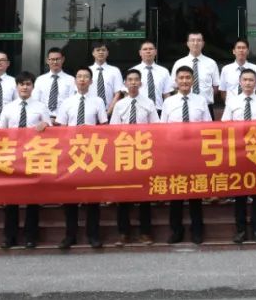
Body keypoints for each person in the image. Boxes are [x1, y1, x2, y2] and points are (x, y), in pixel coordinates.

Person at [0, 71, 51, 250]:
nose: (25, 87)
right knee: (11, 200)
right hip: (13, 156)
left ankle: (30, 237)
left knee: (32, 200)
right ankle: (9, 237)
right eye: (21, 84)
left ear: (33, 87)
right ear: (17, 86)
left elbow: (50, 128)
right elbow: (1, 131)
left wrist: (46, 124)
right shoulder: (9, 107)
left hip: (33, 156)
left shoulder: (41, 107)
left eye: (28, 84)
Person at [56, 68, 108, 249]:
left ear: (91, 81)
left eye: (86, 77)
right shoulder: (67, 102)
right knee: (70, 196)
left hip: (92, 153)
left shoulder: (98, 101)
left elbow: (104, 127)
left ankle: (93, 235)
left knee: (93, 195)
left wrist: (90, 130)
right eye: (79, 77)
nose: (82, 79)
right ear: (75, 80)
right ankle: (70, 235)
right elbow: (61, 128)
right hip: (71, 152)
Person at [160, 66, 211, 244]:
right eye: (181, 78)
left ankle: (197, 231)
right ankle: (176, 231)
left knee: (195, 193)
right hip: (175, 153)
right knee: (176, 192)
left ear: (193, 80)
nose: (184, 81)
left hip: (195, 152)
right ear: (176, 81)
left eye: (188, 77)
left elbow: (208, 127)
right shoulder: (168, 102)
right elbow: (162, 129)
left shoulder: (201, 100)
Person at [221, 68, 256, 243]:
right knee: (240, 194)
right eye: (245, 80)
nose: (248, 83)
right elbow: (224, 126)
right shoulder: (232, 102)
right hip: (238, 152)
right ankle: (241, 230)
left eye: (251, 80)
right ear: (240, 82)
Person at [109, 69, 159, 246]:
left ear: (141, 83)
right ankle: (123, 233)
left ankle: (145, 233)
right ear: (125, 83)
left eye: (136, 79)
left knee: (145, 195)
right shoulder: (120, 105)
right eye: (130, 80)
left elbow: (156, 128)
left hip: (144, 152)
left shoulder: (149, 103)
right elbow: (113, 129)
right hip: (124, 153)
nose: (133, 83)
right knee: (123, 194)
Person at [171, 32, 220, 119]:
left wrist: (204, 99)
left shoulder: (211, 63)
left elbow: (216, 86)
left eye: (198, 40)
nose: (195, 43)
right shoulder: (179, 63)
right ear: (187, 43)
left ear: (203, 43)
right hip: (183, 106)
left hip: (206, 106)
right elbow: (174, 86)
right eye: (192, 40)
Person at [128, 40, 173, 115]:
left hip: (159, 111)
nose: (148, 51)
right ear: (140, 53)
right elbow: (127, 94)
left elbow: (167, 95)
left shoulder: (164, 71)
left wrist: (168, 112)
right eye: (145, 49)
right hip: (139, 111)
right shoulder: (132, 71)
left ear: (155, 52)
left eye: (151, 49)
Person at [33, 47, 76, 124]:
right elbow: (35, 101)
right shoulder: (40, 80)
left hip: (63, 121)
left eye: (58, 59)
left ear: (63, 59)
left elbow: (72, 103)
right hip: (43, 122)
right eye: (52, 59)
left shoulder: (71, 80)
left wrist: (61, 119)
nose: (55, 62)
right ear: (47, 61)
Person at [89, 41, 124, 114]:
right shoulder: (87, 71)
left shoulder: (115, 70)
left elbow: (118, 93)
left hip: (110, 111)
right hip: (90, 111)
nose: (101, 52)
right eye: (98, 50)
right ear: (93, 53)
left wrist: (109, 112)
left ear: (107, 53)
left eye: (103, 50)